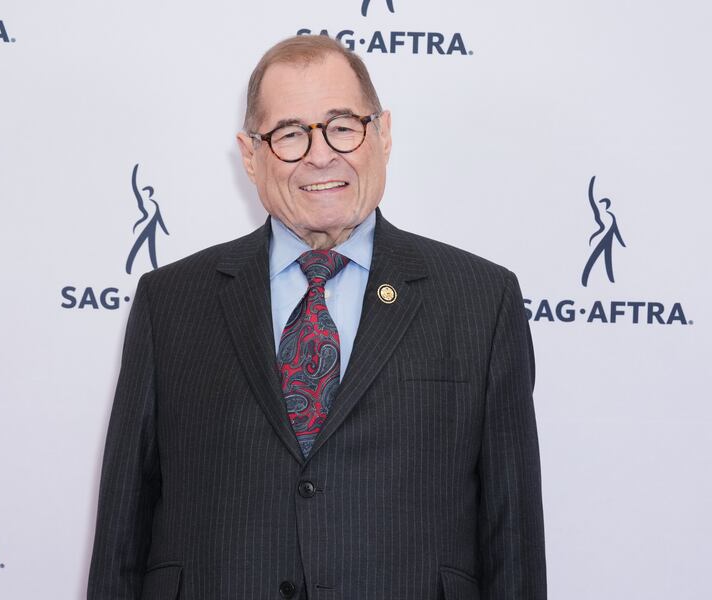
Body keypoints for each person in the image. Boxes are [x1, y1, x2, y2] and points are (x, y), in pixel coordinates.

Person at [88, 35, 546, 600]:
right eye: (290, 134)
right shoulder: (170, 301)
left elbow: (514, 539)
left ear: (382, 134)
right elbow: (121, 539)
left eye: (342, 126)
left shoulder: (482, 300)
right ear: (251, 155)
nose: (321, 154)